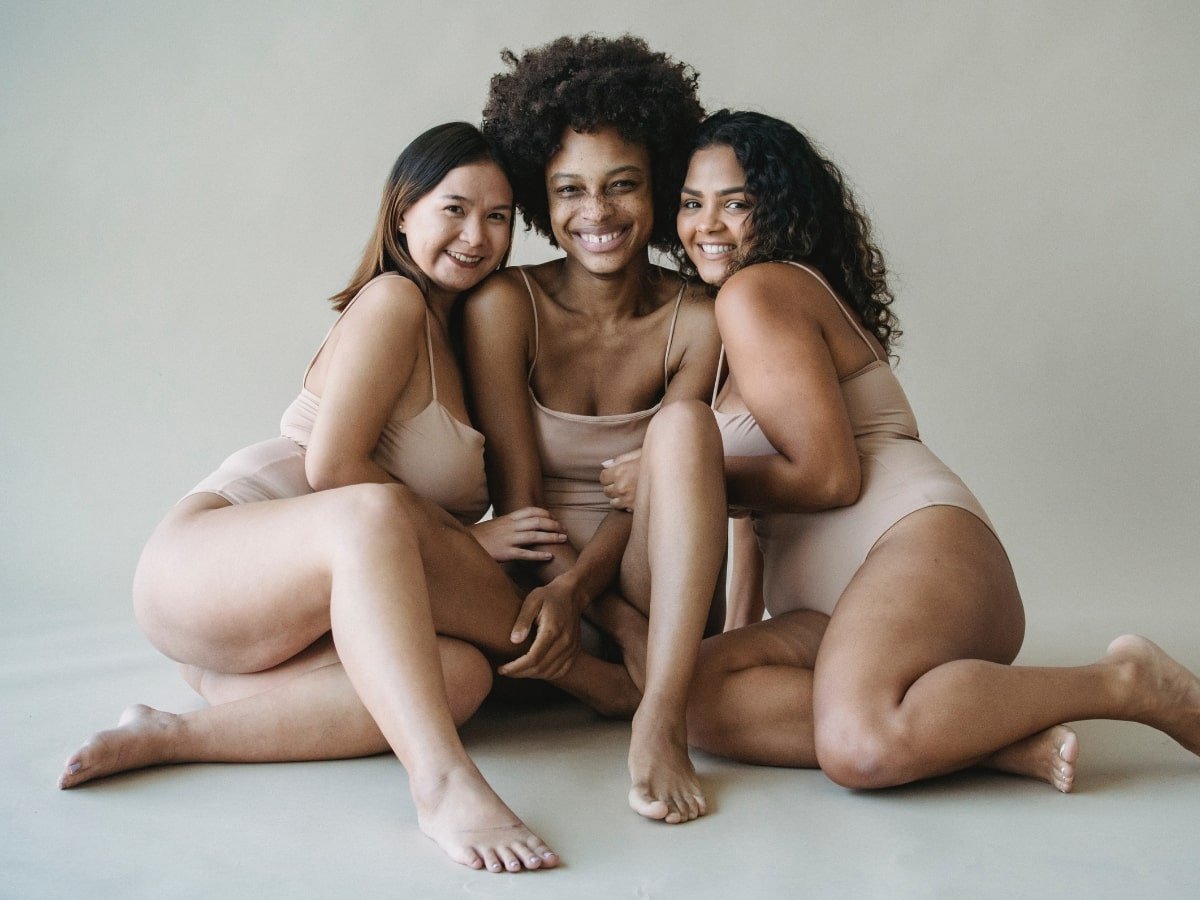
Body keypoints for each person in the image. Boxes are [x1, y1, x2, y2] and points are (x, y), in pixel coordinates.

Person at [56, 122, 640, 874]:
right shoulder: (393, 300)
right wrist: (470, 544)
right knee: (373, 514)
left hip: (283, 618)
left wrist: (593, 595)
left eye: (497, 218)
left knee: (456, 677)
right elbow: (334, 467)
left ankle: (173, 730)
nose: (477, 236)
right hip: (207, 562)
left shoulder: (460, 330)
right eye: (454, 209)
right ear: (403, 213)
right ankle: (444, 783)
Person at [677, 109, 1200, 791]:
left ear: (777, 210)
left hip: (921, 556)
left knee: (858, 749)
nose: (706, 225)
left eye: (735, 203)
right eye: (691, 203)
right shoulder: (729, 318)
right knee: (692, 695)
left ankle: (1125, 684)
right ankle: (981, 739)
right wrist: (737, 633)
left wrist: (689, 477)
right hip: (827, 611)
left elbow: (830, 478)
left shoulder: (760, 289)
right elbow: (755, 506)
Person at [468, 35, 726, 825]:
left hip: (661, 578)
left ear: (656, 189)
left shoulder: (699, 320)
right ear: (541, 200)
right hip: (539, 573)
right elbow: (518, 499)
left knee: (682, 432)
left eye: (623, 186)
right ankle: (611, 683)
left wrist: (607, 602)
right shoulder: (506, 307)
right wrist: (589, 610)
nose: (597, 213)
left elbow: (654, 497)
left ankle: (655, 717)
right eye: (569, 190)